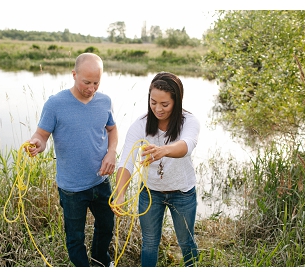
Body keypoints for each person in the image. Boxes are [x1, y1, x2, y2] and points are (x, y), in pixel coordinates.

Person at [26, 53, 117, 267]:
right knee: (75, 238)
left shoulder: (105, 101)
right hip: (72, 189)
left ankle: (100, 262)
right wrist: (37, 143)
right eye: (87, 82)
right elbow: (41, 135)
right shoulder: (55, 104)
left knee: (106, 225)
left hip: (101, 183)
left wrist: (111, 152)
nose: (92, 88)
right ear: (74, 74)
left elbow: (112, 129)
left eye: (96, 82)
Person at [112, 72, 200, 267]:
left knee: (186, 242)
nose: (157, 109)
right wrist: (120, 194)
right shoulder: (140, 125)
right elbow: (126, 161)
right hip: (150, 193)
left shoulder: (189, 121)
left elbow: (187, 145)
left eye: (165, 104)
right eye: (153, 102)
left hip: (183, 193)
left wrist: (163, 151)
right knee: (149, 243)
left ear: (176, 102)